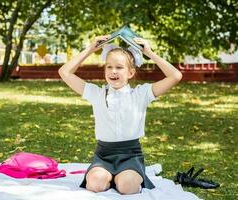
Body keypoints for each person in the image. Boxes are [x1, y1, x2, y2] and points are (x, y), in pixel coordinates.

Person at [58, 35, 182, 195]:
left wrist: (150, 53)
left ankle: (123, 178)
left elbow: (175, 76)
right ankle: (109, 178)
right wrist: (90, 49)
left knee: (127, 187)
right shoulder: (96, 93)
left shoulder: (141, 94)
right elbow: (64, 72)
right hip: (104, 155)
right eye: (109, 67)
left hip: (130, 155)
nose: (113, 71)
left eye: (119, 67)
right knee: (95, 183)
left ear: (131, 72)